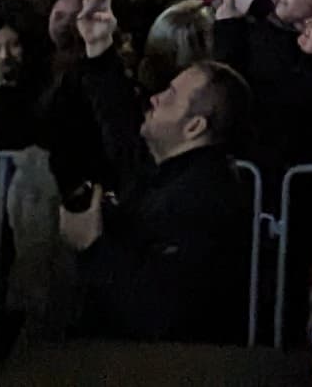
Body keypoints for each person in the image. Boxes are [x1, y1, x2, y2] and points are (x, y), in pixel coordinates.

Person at [61, 57, 256, 343]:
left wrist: (92, 244)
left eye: (171, 96)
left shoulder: (203, 198)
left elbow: (156, 311)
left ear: (194, 127)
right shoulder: (169, 177)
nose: (155, 98)